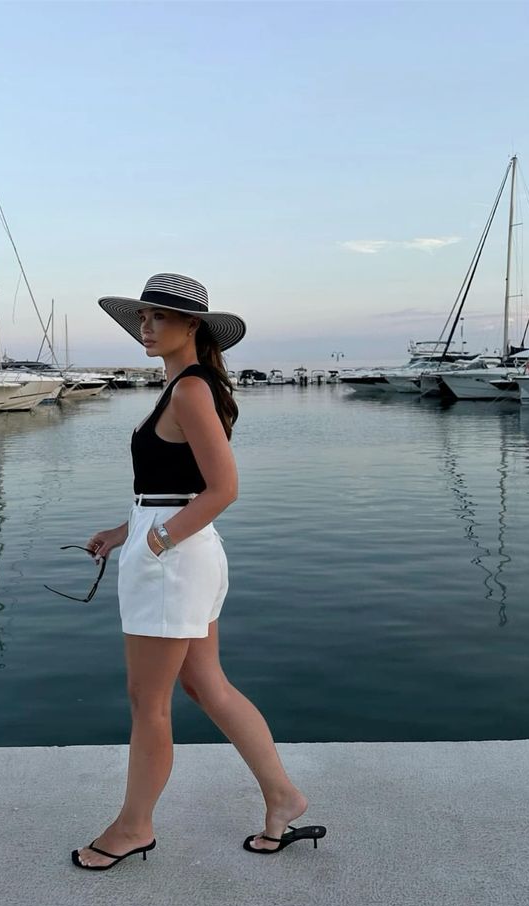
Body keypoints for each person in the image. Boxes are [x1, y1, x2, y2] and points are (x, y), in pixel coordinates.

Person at [72, 273, 325, 870]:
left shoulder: (189, 390)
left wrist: (156, 542)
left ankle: (134, 827)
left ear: (193, 327)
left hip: (172, 561)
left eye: (160, 317)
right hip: (180, 553)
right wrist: (123, 530)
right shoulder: (186, 387)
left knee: (147, 702)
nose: (148, 326)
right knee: (204, 685)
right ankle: (283, 797)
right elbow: (172, 487)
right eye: (143, 317)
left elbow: (224, 488)